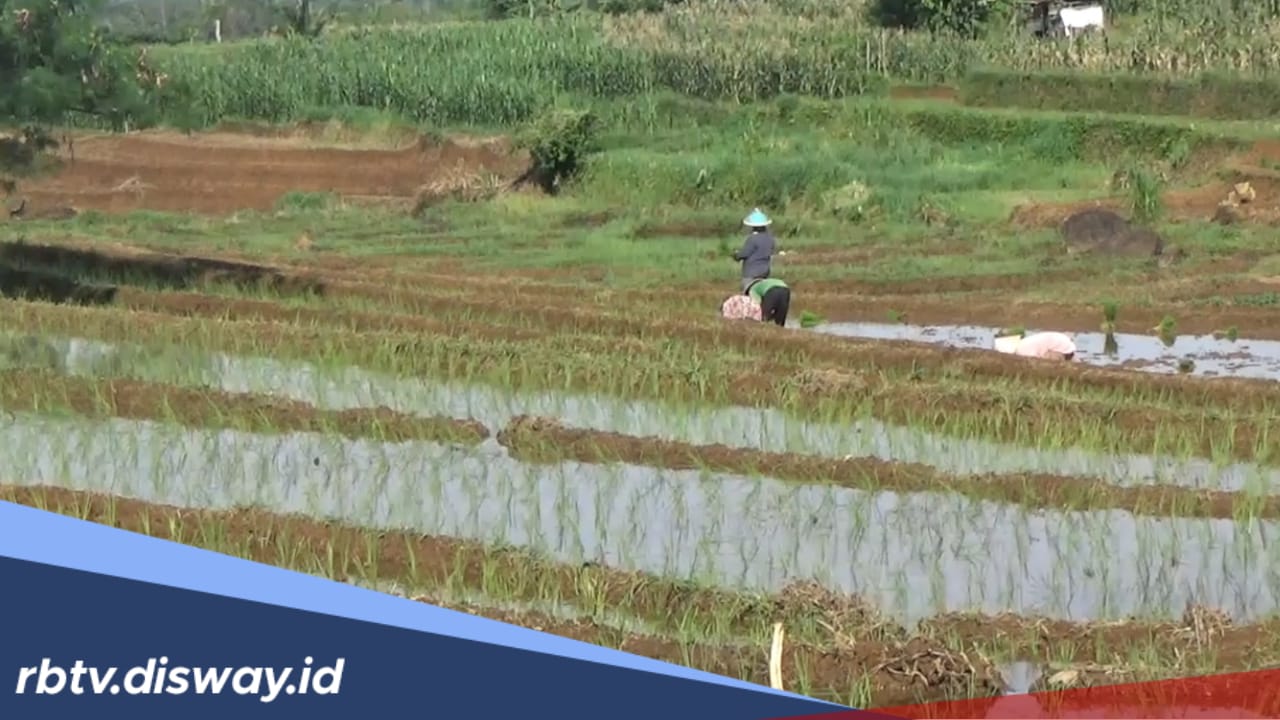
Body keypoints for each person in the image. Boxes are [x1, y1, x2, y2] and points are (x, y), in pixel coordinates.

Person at [733, 208, 777, 292]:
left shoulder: (752, 239)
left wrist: (736, 255)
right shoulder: (770, 238)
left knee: (747, 294)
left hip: (752, 272)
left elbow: (744, 254)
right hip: (765, 271)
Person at [994, 331, 1076, 360]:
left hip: (1060, 347)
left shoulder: (1021, 350)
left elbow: (1034, 362)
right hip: (1064, 341)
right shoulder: (1023, 342)